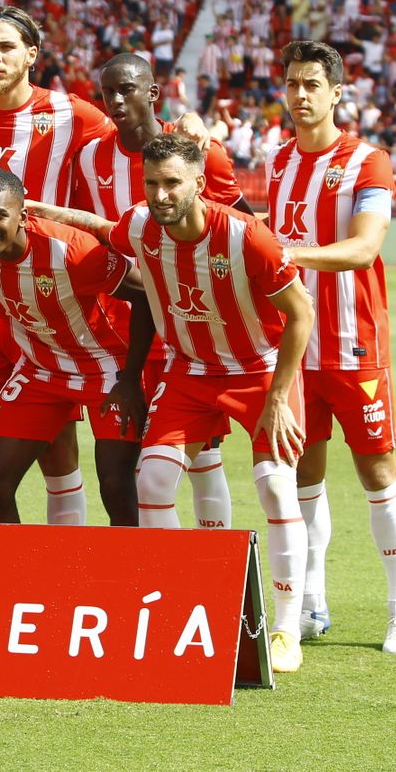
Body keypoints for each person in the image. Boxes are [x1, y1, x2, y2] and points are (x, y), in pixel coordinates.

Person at [28, 133, 315, 674]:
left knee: (276, 486)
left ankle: (284, 628)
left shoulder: (248, 237)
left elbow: (301, 313)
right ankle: (185, 607)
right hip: (188, 373)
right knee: (153, 482)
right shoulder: (140, 225)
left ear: (200, 185)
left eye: (171, 184)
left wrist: (279, 397)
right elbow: (97, 225)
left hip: (257, 371)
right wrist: (44, 210)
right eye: (151, 183)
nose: (160, 195)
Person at [0, 6, 113, 524]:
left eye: (6, 46)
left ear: (31, 54)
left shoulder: (72, 113)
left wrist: (184, 123)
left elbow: (132, 137)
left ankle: (63, 565)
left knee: (55, 441)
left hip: (51, 301)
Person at [267, 40, 396, 655]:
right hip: (296, 351)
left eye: (312, 85)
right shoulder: (278, 162)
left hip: (355, 348)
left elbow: (363, 248)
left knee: (377, 473)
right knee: (303, 477)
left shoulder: (368, 162)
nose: (300, 96)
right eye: (292, 84)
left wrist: (288, 255)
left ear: (336, 93)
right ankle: (310, 603)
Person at [73, 52, 251, 526]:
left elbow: (246, 228)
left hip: (191, 332)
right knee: (117, 476)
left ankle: (217, 579)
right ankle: (143, 584)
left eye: (126, 89)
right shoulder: (90, 158)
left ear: (153, 93)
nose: (114, 100)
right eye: (107, 91)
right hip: (118, 336)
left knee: (200, 459)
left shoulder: (197, 149)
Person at [0, 170, 139, 525]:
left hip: (105, 368)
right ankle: (11, 578)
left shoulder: (73, 251)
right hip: (41, 369)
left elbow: (146, 296)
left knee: (116, 485)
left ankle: (135, 578)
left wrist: (132, 378)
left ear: (23, 217)